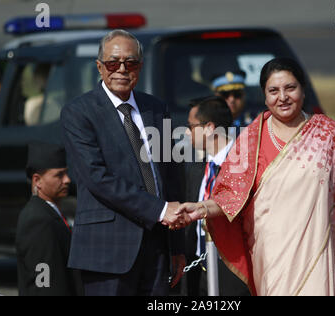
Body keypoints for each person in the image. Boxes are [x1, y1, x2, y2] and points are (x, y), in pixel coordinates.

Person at [177, 57, 335, 296]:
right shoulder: (251, 139)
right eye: (273, 91)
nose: (282, 97)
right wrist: (201, 208)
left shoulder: (329, 135)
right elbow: (230, 195)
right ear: (264, 96)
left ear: (303, 90)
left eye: (290, 88)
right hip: (271, 256)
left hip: (322, 251)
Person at [60, 29, 187, 296]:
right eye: (112, 63)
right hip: (108, 250)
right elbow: (97, 178)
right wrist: (159, 209)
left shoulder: (156, 108)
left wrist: (176, 247)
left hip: (157, 247)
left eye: (130, 63)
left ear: (140, 67)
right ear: (99, 66)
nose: (121, 69)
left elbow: (170, 175)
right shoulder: (79, 113)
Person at [184, 96, 250, 296]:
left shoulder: (243, 166)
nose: (187, 132)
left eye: (191, 126)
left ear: (209, 128)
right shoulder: (196, 169)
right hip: (198, 267)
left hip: (233, 267)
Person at [16, 142, 83, 296]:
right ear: (37, 180)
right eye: (59, 175)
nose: (67, 180)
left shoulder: (48, 211)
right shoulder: (38, 220)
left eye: (66, 173)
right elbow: (43, 282)